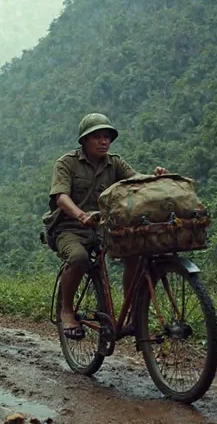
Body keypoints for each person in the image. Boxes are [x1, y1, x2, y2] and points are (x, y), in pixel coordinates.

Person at [44, 113, 168, 340]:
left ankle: (131, 315)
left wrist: (156, 178)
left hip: (104, 226)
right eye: (97, 137)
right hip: (69, 227)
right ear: (84, 140)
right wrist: (81, 215)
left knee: (136, 253)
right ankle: (67, 310)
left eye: (107, 137)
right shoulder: (67, 163)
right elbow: (61, 197)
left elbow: (135, 181)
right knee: (79, 257)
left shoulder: (115, 162)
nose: (104, 142)